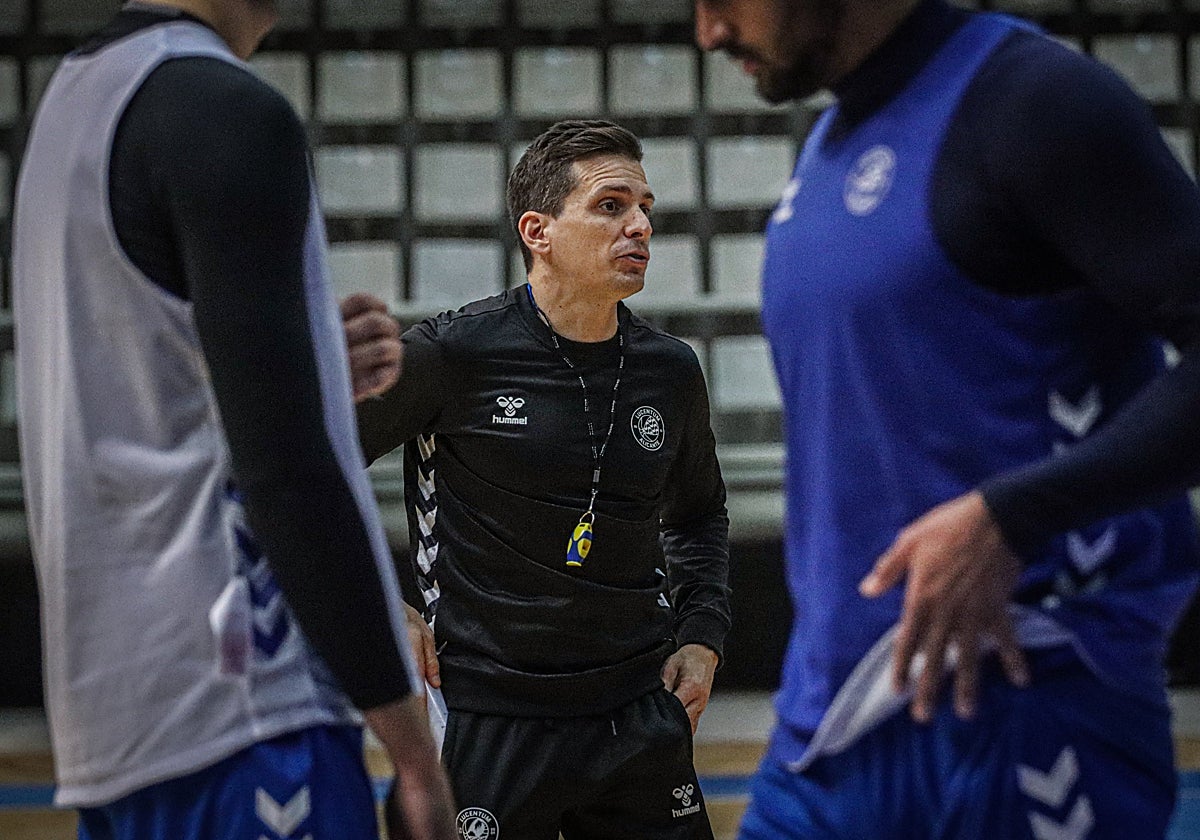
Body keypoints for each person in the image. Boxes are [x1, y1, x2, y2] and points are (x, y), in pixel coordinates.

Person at [691, 0, 1200, 837]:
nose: (707, 32)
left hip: (1029, 698)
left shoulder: (1036, 103)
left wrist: (1016, 515)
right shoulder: (829, 145)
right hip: (829, 722)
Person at [11, 1, 455, 838]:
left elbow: (146, 376)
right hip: (249, 705)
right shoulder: (226, 109)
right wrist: (412, 748)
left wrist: (311, 358)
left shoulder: (71, 100)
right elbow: (287, 470)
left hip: (116, 722)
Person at [355, 119, 732, 840]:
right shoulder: (450, 354)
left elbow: (699, 515)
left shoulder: (670, 369)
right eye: (611, 206)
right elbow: (315, 467)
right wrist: (377, 602)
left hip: (636, 708)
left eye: (645, 207)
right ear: (539, 230)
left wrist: (702, 632)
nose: (641, 225)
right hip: (486, 714)